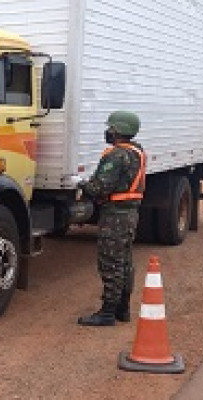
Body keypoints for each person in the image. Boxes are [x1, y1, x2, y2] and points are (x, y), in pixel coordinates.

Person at [78, 111, 146, 327]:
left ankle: (107, 313)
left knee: (110, 264)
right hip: (130, 213)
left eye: (111, 128)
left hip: (115, 216)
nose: (108, 132)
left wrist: (81, 184)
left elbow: (100, 187)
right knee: (124, 262)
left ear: (119, 131)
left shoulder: (116, 156)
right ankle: (122, 308)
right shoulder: (137, 152)